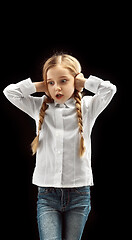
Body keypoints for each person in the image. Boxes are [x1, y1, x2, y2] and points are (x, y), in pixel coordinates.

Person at [3, 53, 117, 239]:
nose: (57, 88)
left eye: (63, 81)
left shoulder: (88, 107)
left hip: (79, 193)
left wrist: (84, 82)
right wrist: (41, 85)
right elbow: (10, 92)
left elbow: (109, 90)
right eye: (51, 83)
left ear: (75, 80)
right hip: (47, 195)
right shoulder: (39, 106)